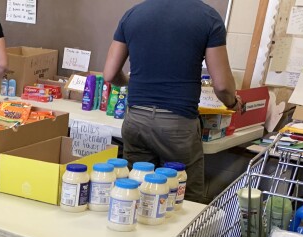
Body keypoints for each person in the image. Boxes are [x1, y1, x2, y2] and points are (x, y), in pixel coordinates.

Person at [103, 0, 243, 204]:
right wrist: (232, 103)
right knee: (183, 202)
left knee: (140, 195)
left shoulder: (132, 14)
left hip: (136, 120)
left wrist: (131, 83)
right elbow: (222, 86)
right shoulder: (208, 17)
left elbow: (110, 73)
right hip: (178, 125)